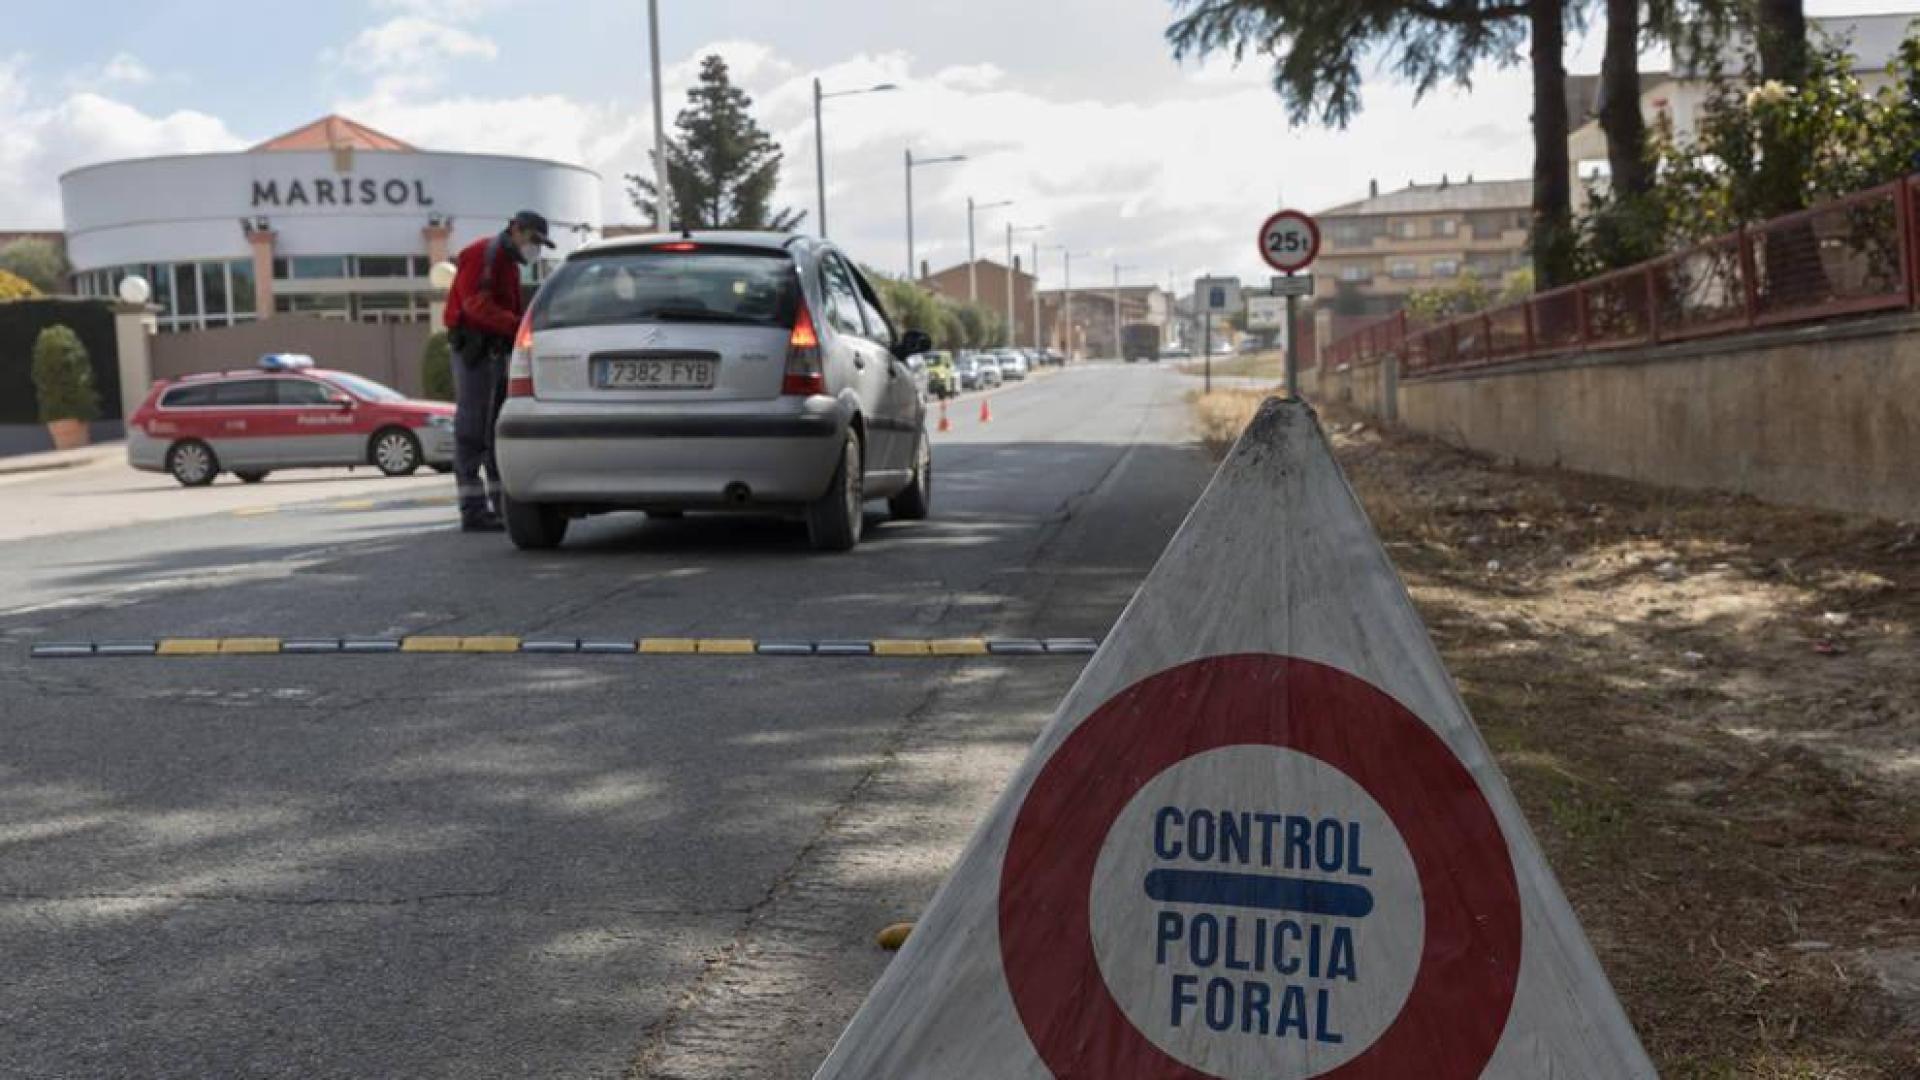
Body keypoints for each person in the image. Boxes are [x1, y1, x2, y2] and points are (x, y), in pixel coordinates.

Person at [442, 210, 554, 531]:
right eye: (532, 239)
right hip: (475, 352)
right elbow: (475, 305)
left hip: (495, 351)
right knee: (472, 429)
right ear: (515, 230)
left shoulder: (507, 263)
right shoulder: (483, 255)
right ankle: (472, 509)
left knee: (493, 431)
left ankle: (498, 505)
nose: (534, 248)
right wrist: (519, 327)